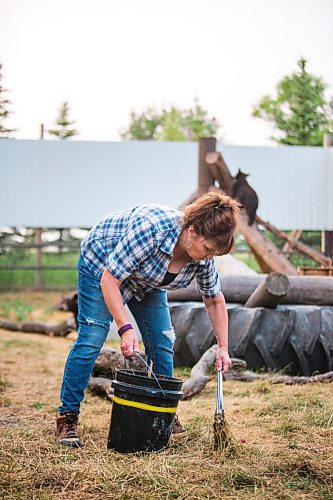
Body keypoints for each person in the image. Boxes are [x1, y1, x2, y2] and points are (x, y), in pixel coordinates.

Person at [56, 192, 240, 448]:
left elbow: (214, 300)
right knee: (92, 337)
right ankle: (68, 417)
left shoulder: (202, 259)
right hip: (102, 265)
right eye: (207, 249)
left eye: (214, 253)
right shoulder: (153, 231)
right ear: (191, 231)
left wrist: (222, 348)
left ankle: (163, 411)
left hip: (146, 279)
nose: (209, 257)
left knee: (163, 341)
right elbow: (110, 279)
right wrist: (125, 328)